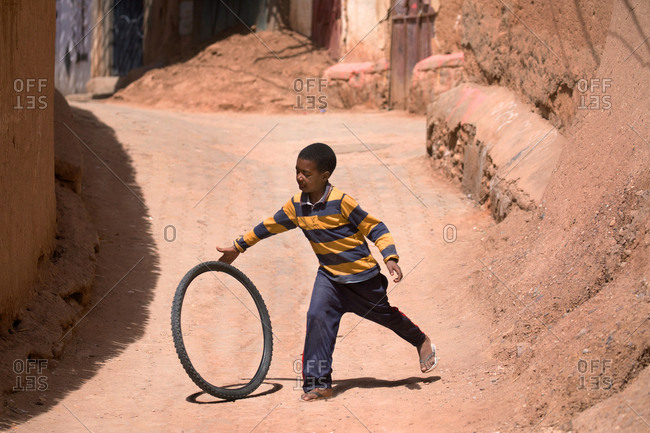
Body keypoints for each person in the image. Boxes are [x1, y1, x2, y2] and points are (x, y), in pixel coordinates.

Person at [217, 142, 437, 402]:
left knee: (386, 316)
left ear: (325, 176)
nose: (300, 177)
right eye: (297, 171)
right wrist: (238, 247)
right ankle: (319, 383)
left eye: (306, 174)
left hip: (363, 281)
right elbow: (268, 226)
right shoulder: (296, 207)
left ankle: (421, 341)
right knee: (316, 317)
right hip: (330, 279)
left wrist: (390, 257)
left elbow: (375, 227)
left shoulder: (342, 202)